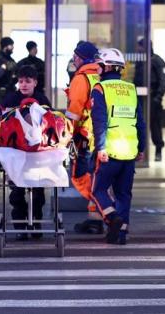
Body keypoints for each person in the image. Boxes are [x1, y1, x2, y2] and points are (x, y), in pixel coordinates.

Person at [90, 48, 146, 245]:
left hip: (110, 151)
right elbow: (141, 122)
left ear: (107, 67)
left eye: (99, 65)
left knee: (97, 190)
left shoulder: (100, 89)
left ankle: (112, 217)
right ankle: (120, 234)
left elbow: (99, 121)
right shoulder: (131, 89)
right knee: (123, 193)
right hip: (129, 152)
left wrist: (101, 147)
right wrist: (141, 148)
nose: (97, 68)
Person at [0, 65, 51, 240]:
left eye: (28, 81)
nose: (24, 84)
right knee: (17, 191)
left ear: (35, 82)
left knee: (38, 191)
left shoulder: (42, 100)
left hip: (37, 155)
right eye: (21, 81)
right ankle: (19, 224)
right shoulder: (9, 100)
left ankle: (36, 221)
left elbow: (51, 127)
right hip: (14, 154)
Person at [65, 41, 104, 235]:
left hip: (86, 137)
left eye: (76, 56)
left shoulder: (81, 79)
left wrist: (66, 136)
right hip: (103, 137)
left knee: (81, 176)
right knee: (99, 177)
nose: (74, 59)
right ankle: (96, 218)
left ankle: (104, 212)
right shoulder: (101, 75)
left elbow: (74, 112)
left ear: (81, 57)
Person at [134, 38, 165, 162]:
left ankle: (158, 149)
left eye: (140, 47)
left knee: (155, 126)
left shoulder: (157, 61)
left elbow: (163, 81)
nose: (138, 49)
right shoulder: (140, 60)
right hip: (139, 98)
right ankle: (140, 151)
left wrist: (158, 97)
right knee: (139, 125)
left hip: (153, 98)